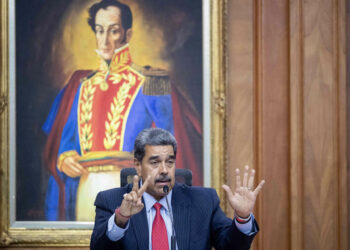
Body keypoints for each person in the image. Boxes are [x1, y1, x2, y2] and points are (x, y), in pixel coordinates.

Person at [43, 0, 201, 221]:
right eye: (99, 30)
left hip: (133, 190)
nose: (105, 39)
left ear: (127, 34)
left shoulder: (152, 82)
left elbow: (172, 144)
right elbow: (65, 141)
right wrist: (65, 158)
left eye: (113, 30)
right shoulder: (80, 85)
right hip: (86, 189)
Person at [90, 128, 265, 250]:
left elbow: (230, 247)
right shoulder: (111, 201)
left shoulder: (203, 201)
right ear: (138, 165)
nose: (164, 170)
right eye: (155, 162)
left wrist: (242, 218)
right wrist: (121, 218)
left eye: (170, 162)